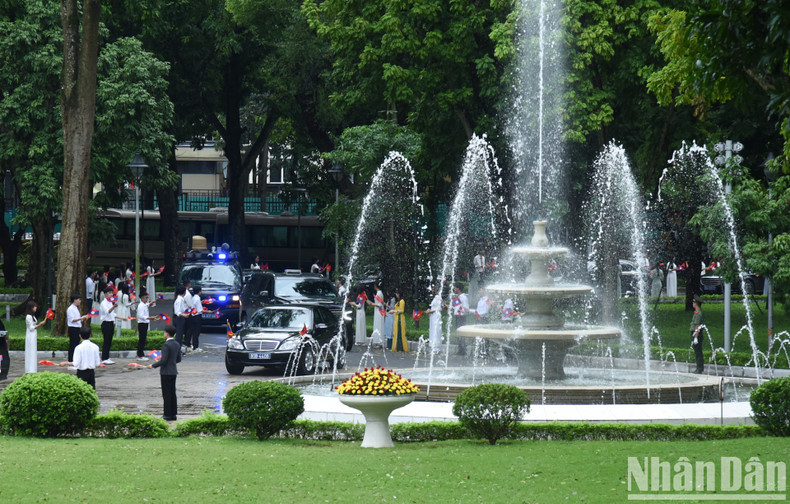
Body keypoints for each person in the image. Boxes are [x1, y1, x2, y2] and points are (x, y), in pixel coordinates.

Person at [147, 324, 181, 421]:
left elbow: (163, 360)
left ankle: (167, 414)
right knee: (172, 393)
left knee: (166, 394)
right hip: (173, 371)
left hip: (166, 372)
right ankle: (173, 414)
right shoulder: (177, 344)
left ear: (167, 334)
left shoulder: (166, 345)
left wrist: (152, 366)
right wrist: (171, 362)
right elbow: (178, 359)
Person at [99, 286, 121, 364]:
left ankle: (107, 357)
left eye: (112, 293)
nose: (111, 294)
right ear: (105, 294)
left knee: (109, 341)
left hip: (111, 323)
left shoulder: (110, 302)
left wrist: (122, 317)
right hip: (106, 323)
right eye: (109, 293)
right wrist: (114, 306)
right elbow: (107, 311)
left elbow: (113, 314)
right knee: (106, 341)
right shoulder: (103, 303)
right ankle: (104, 358)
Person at [66, 294, 90, 362]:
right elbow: (72, 319)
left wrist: (83, 318)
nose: (80, 301)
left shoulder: (76, 308)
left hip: (77, 328)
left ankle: (75, 360)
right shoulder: (70, 309)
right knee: (73, 345)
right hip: (73, 328)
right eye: (79, 300)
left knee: (76, 344)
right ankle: (70, 360)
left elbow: (77, 319)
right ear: (75, 300)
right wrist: (81, 318)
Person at [25, 300, 46, 373]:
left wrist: (39, 325)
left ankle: (33, 369)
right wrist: (40, 325)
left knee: (33, 351)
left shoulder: (32, 316)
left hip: (33, 335)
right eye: (34, 306)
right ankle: (30, 369)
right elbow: (31, 328)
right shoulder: (28, 317)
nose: (36, 308)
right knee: (30, 351)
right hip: (30, 335)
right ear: (31, 307)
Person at [136, 291, 156, 361]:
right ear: (142, 298)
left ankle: (141, 354)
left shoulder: (144, 304)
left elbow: (147, 305)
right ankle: (140, 355)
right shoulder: (141, 306)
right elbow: (141, 316)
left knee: (143, 339)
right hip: (142, 323)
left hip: (145, 323)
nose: (147, 299)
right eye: (145, 298)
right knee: (142, 339)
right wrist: (150, 318)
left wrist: (150, 318)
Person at [451, 282, 470, 355]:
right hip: (457, 316)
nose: (454, 288)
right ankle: (460, 349)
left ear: (458, 288)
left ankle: (463, 350)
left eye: (455, 287)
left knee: (461, 333)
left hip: (461, 317)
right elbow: (456, 307)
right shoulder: (458, 297)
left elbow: (466, 309)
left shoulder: (464, 297)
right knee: (458, 333)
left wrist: (460, 310)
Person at [367, 283, 386, 347]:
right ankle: (377, 341)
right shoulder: (379, 293)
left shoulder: (379, 293)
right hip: (377, 311)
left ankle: (379, 342)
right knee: (377, 325)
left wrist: (371, 304)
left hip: (379, 311)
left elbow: (380, 304)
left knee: (379, 326)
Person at [425, 284, 443, 353]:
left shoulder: (438, 297)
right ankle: (433, 346)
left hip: (436, 315)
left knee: (436, 329)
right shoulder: (435, 297)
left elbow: (438, 308)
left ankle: (436, 347)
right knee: (433, 329)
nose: (432, 290)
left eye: (433, 289)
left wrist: (430, 311)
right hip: (433, 315)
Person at [187, 286, 204, 353]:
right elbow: (200, 310)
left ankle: (189, 344)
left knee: (191, 331)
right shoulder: (198, 298)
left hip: (192, 316)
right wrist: (210, 311)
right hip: (197, 316)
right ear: (199, 291)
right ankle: (195, 346)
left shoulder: (193, 298)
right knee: (196, 332)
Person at [690, 295, 705, 374]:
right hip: (696, 333)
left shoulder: (698, 313)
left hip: (697, 334)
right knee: (697, 352)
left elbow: (697, 326)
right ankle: (699, 368)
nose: (692, 303)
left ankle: (699, 368)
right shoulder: (697, 312)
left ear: (696, 303)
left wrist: (696, 337)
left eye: (693, 302)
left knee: (698, 352)